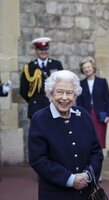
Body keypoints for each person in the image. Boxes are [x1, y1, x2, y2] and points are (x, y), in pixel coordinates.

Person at [28, 70, 103, 200]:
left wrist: (87, 175)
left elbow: (96, 151)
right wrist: (70, 179)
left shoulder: (83, 116)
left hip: (86, 193)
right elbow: (38, 159)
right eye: (59, 92)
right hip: (55, 194)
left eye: (69, 93)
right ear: (50, 93)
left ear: (75, 96)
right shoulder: (40, 119)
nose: (64, 97)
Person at [20, 37, 63, 119]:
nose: (43, 52)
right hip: (36, 107)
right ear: (36, 50)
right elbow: (23, 90)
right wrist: (33, 100)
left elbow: (62, 84)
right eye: (41, 49)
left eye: (45, 49)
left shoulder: (56, 65)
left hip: (53, 106)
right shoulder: (29, 67)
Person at [76, 57, 109, 149]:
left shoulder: (102, 82)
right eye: (84, 68)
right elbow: (79, 103)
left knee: (100, 140)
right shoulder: (81, 84)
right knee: (88, 139)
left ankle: (98, 159)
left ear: (93, 67)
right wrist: (79, 116)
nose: (86, 69)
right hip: (86, 115)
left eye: (88, 67)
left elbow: (107, 100)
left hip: (101, 116)